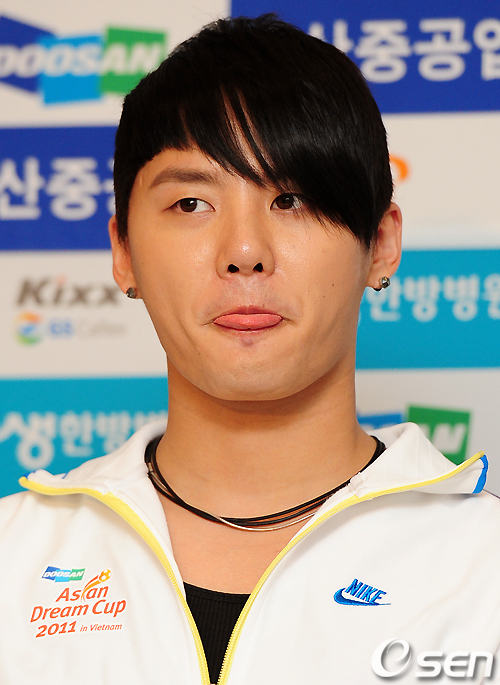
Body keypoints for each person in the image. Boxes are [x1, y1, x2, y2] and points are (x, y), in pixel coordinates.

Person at [1, 14, 500, 685]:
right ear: (123, 253)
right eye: (190, 204)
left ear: (381, 245)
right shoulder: (15, 560)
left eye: (291, 199)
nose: (243, 252)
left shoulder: (482, 568)